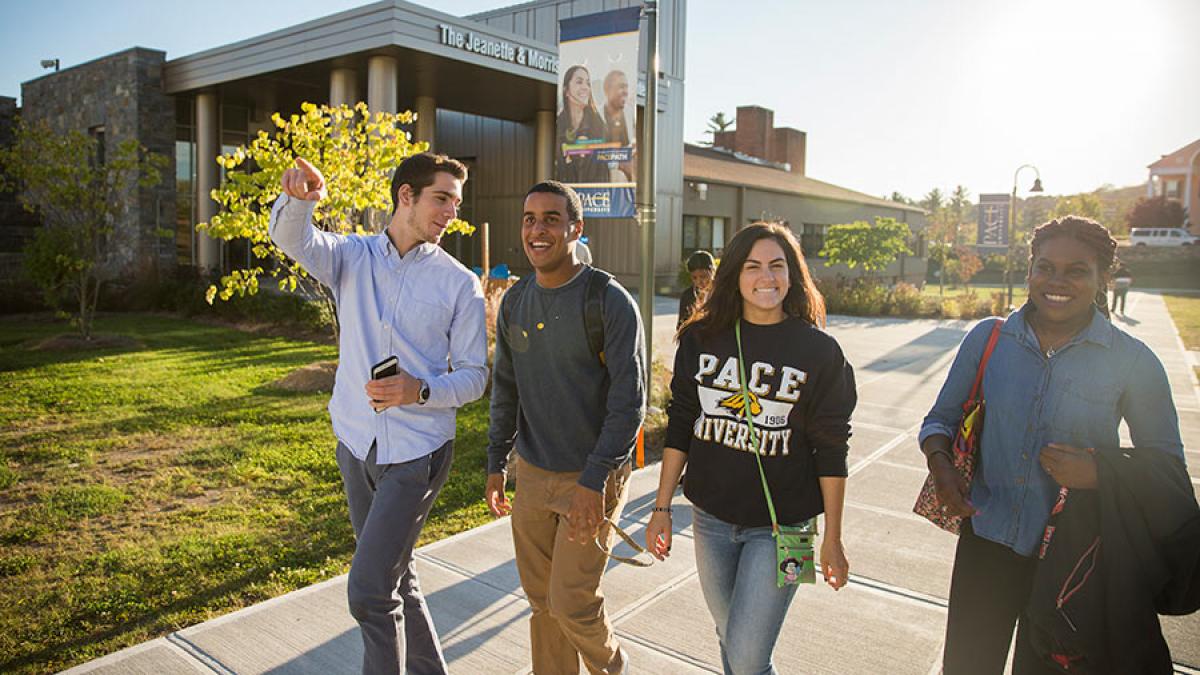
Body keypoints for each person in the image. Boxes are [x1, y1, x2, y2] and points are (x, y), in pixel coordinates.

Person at [919, 216, 1184, 674]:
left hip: (1074, 560)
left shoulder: (1134, 362)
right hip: (986, 544)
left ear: (1103, 277)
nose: (1057, 281)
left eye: (1077, 270)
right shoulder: (989, 338)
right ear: (1029, 271)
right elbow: (939, 420)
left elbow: (1169, 467)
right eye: (1045, 267)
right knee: (966, 667)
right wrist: (942, 466)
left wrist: (1100, 470)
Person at [270, 153, 488, 675]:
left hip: (417, 454)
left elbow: (476, 377)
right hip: (356, 444)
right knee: (397, 576)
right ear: (405, 196)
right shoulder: (351, 256)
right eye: (441, 199)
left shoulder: (459, 284)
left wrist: (419, 390)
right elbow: (293, 241)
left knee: (369, 591)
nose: (450, 213)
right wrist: (301, 203)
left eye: (456, 203)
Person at [646, 222, 855, 675]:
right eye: (753, 266)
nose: (766, 277)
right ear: (735, 275)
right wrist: (661, 508)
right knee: (733, 643)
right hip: (711, 519)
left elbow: (832, 450)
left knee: (746, 656)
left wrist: (833, 538)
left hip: (787, 528)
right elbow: (681, 423)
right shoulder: (702, 339)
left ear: (793, 275)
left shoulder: (820, 352)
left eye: (777, 266)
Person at [485, 180, 646, 674]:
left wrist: (593, 480)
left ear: (576, 228)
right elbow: (506, 389)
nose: (537, 229)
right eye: (530, 219)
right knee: (542, 603)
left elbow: (629, 402)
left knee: (572, 602)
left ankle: (612, 669)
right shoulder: (514, 302)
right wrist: (497, 463)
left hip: (590, 476)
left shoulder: (608, 301)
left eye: (551, 219)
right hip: (533, 474)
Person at [555, 65, 611, 184]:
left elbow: (603, 169)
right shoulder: (558, 125)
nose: (585, 87)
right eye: (579, 82)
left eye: (588, 83)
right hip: (566, 195)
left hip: (594, 195)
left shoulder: (598, 125)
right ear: (566, 90)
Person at [601, 70, 636, 182]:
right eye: (621, 86)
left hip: (626, 185)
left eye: (627, 87)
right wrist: (617, 163)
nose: (625, 91)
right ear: (607, 90)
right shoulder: (594, 117)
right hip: (600, 183)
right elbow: (589, 155)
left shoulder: (631, 117)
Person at [678, 250, 716, 328]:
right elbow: (681, 326)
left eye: (703, 276)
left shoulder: (722, 294)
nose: (699, 282)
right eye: (694, 278)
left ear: (713, 271)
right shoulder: (687, 296)